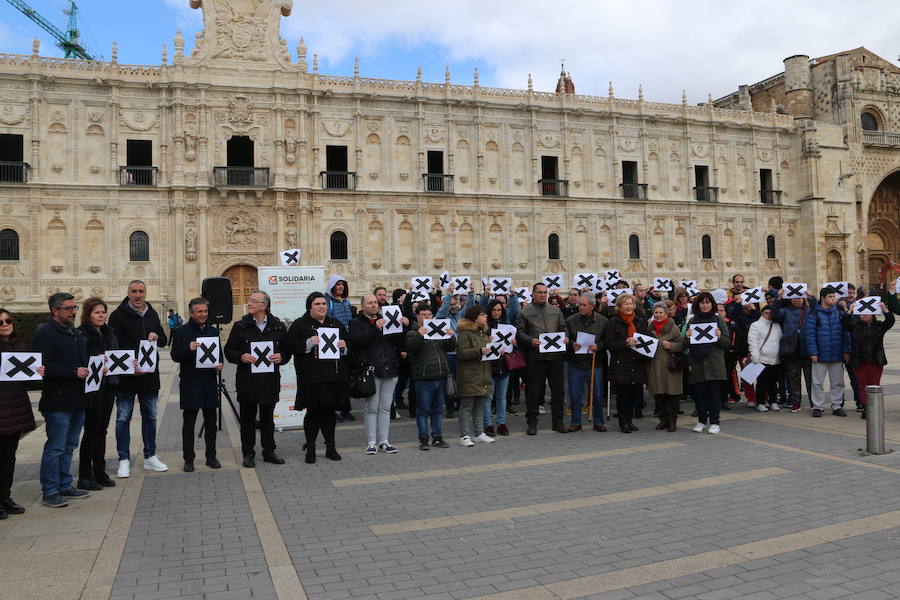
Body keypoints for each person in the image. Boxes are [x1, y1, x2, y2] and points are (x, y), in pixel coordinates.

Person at [31, 292, 90, 507]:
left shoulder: (73, 332)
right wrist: (73, 372)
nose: (74, 312)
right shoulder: (45, 333)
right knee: (55, 447)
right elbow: (41, 367)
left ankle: (65, 484)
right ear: (55, 311)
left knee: (70, 445)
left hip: (77, 399)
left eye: (75, 308)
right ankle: (50, 490)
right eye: (69, 308)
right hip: (57, 401)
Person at [108, 280, 168, 478]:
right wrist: (127, 367)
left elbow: (164, 338)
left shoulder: (152, 313)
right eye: (134, 291)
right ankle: (123, 459)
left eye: (141, 291)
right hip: (127, 377)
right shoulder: (117, 316)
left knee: (150, 417)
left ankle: (150, 456)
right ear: (128, 293)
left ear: (145, 293)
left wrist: (156, 335)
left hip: (149, 376)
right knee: (123, 418)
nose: (138, 295)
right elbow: (112, 345)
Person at [224, 290, 288, 468]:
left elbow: (287, 350)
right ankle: (248, 453)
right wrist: (241, 356)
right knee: (248, 419)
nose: (249, 303)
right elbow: (228, 351)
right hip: (247, 381)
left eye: (253, 301)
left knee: (268, 419)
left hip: (269, 381)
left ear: (264, 306)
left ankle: (269, 451)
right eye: (249, 300)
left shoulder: (278, 326)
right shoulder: (240, 326)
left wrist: (281, 356)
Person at [284, 292, 350, 464]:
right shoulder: (300, 324)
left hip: (333, 376)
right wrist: (307, 343)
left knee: (329, 412)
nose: (322, 307)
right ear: (309, 307)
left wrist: (344, 347)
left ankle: (330, 447)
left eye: (324, 304)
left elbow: (349, 346)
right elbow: (289, 345)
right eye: (317, 304)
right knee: (313, 412)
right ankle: (311, 448)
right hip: (311, 376)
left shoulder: (335, 324)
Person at [170, 298, 223, 472]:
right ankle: (189, 458)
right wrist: (188, 348)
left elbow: (218, 355)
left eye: (205, 311)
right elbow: (175, 355)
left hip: (209, 382)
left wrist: (220, 364)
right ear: (191, 313)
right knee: (189, 424)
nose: (203, 315)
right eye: (199, 312)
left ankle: (211, 456)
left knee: (211, 422)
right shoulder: (181, 332)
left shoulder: (213, 331)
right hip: (190, 383)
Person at [348, 294, 405, 455]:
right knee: (371, 407)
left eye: (375, 302)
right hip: (371, 370)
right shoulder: (355, 322)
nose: (374, 305)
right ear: (363, 306)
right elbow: (358, 342)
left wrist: (402, 326)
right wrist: (375, 328)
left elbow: (398, 342)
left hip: (389, 368)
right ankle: (371, 442)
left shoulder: (387, 318)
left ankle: (384, 441)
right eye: (370, 303)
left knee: (385, 407)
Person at [0, 309, 41, 517]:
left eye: (8, 321)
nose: (5, 325)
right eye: (1, 322)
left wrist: (38, 373)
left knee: (9, 457)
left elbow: (27, 381)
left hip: (15, 409)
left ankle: (5, 497)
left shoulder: (19, 347)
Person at [75, 298, 119, 490]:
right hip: (92, 388)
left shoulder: (109, 333)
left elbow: (116, 355)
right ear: (88, 314)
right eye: (97, 312)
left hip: (109, 386)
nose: (101, 315)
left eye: (103, 312)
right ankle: (85, 475)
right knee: (91, 430)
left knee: (102, 430)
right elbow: (80, 360)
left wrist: (122, 364)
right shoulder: (82, 335)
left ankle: (100, 471)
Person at [516, 282, 569, 435]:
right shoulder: (525, 312)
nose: (542, 295)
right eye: (539, 292)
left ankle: (558, 422)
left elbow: (564, 328)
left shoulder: (555, 310)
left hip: (555, 357)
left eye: (545, 292)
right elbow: (520, 332)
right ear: (533, 293)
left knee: (558, 392)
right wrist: (530, 340)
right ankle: (532, 423)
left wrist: (565, 337)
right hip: (535, 358)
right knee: (533, 392)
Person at [406, 302, 455, 450]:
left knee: (438, 410)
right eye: (423, 315)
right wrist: (420, 336)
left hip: (440, 376)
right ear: (418, 316)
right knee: (423, 410)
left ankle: (437, 437)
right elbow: (411, 348)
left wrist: (451, 337)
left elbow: (451, 347)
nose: (427, 317)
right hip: (424, 378)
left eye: (429, 314)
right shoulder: (413, 332)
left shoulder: (437, 331)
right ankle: (423, 438)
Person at [604, 294, 650, 433]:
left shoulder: (640, 321)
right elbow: (609, 344)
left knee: (633, 395)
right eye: (625, 304)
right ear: (619, 306)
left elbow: (646, 339)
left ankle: (630, 421)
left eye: (631, 303)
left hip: (636, 363)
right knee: (623, 395)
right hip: (621, 363)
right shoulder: (613, 322)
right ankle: (623, 422)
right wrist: (625, 343)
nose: (629, 306)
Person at [687, 292, 730, 434]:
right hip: (698, 363)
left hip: (714, 364)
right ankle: (701, 420)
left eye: (707, 302)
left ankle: (714, 421)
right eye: (702, 302)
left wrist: (719, 337)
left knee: (714, 394)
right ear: (697, 305)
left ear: (712, 304)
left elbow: (727, 343)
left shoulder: (719, 321)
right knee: (699, 395)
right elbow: (685, 343)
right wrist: (687, 337)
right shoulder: (692, 321)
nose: (705, 305)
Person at [842, 300, 894, 419]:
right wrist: (849, 310)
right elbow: (844, 322)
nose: (864, 315)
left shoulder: (879, 326)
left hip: (876, 361)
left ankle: (874, 407)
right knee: (862, 386)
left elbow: (890, 321)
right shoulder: (855, 326)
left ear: (873, 314)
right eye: (862, 313)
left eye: (867, 313)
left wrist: (885, 310)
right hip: (859, 361)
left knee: (875, 385)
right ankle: (866, 407)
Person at [804, 286, 851, 417]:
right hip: (820, 355)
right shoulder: (815, 314)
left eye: (834, 296)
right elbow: (810, 334)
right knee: (817, 382)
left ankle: (837, 405)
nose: (833, 299)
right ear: (823, 298)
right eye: (830, 297)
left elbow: (845, 333)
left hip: (836, 354)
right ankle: (818, 406)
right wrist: (813, 352)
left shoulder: (839, 314)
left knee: (838, 382)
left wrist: (846, 351)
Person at [565, 293, 608, 432]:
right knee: (574, 393)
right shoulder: (571, 320)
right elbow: (565, 338)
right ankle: (576, 422)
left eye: (584, 305)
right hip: (575, 363)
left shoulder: (602, 321)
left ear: (592, 306)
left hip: (595, 363)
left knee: (597, 394)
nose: (581, 307)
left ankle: (598, 421)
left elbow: (607, 340)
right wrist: (572, 344)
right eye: (580, 304)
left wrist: (599, 346)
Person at [455, 305, 496, 446]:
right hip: (469, 374)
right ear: (474, 317)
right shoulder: (465, 333)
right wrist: (479, 351)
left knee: (480, 405)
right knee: (466, 407)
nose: (486, 317)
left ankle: (479, 433)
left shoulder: (482, 333)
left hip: (483, 373)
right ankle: (464, 435)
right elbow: (462, 353)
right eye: (483, 315)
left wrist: (496, 351)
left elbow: (486, 351)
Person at [646, 301, 687, 431]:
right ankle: (662, 420)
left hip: (670, 367)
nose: (658, 315)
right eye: (656, 312)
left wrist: (671, 346)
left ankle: (672, 421)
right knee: (659, 395)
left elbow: (682, 344)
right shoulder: (649, 328)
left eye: (661, 313)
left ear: (666, 314)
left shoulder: (673, 327)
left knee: (672, 395)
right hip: (654, 367)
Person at [772, 292, 814, 412]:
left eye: (800, 297)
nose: (797, 300)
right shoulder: (785, 311)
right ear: (790, 299)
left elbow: (817, 308)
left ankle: (813, 402)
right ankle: (796, 403)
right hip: (791, 349)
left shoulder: (808, 310)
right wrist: (778, 298)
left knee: (810, 379)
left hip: (806, 349)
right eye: (794, 298)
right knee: (794, 379)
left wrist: (811, 297)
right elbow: (775, 312)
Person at [324, 275, 354, 422]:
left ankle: (344, 408)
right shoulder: (328, 302)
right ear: (332, 286)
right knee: (333, 379)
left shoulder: (346, 301)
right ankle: (332, 410)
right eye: (338, 284)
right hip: (333, 343)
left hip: (346, 343)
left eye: (342, 284)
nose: (340, 287)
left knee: (345, 378)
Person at [483, 298, 515, 436]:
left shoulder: (507, 327)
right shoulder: (484, 327)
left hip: (503, 365)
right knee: (488, 397)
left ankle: (502, 423)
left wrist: (514, 343)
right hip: (489, 366)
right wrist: (486, 341)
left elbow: (511, 349)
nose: (497, 312)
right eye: (494, 310)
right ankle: (488, 424)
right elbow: (480, 347)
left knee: (502, 397)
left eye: (499, 310)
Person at [747, 305, 784, 412]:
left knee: (773, 383)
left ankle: (773, 401)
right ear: (761, 313)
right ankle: (760, 402)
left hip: (775, 359)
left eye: (770, 313)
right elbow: (752, 342)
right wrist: (755, 357)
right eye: (766, 313)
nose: (768, 315)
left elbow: (780, 340)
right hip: (761, 359)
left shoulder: (777, 325)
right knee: (761, 383)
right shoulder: (756, 325)